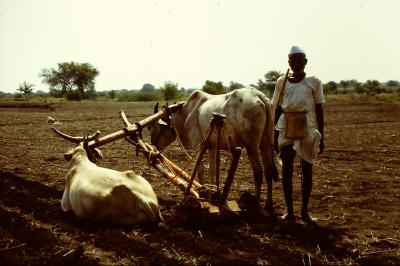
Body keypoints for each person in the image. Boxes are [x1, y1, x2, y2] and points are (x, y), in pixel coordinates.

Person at [272, 46, 325, 223]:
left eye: (299, 61)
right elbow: (278, 108)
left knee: (307, 169)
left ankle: (304, 212)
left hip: (306, 126)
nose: (296, 64)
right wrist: (273, 133)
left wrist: (322, 136)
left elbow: (319, 109)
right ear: (288, 63)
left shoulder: (314, 81)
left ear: (305, 62)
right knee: (286, 170)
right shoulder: (282, 81)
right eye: (292, 62)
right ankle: (290, 212)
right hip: (285, 126)